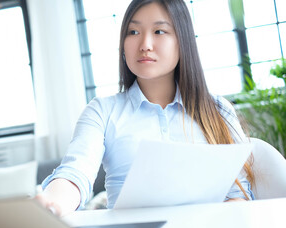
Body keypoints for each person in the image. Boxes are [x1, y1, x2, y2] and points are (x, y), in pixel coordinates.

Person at [36, 0, 254, 216]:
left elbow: (239, 194)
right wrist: (54, 204)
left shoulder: (218, 110)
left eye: (159, 31)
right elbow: (76, 172)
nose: (145, 44)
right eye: (133, 31)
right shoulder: (102, 111)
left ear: (182, 41)